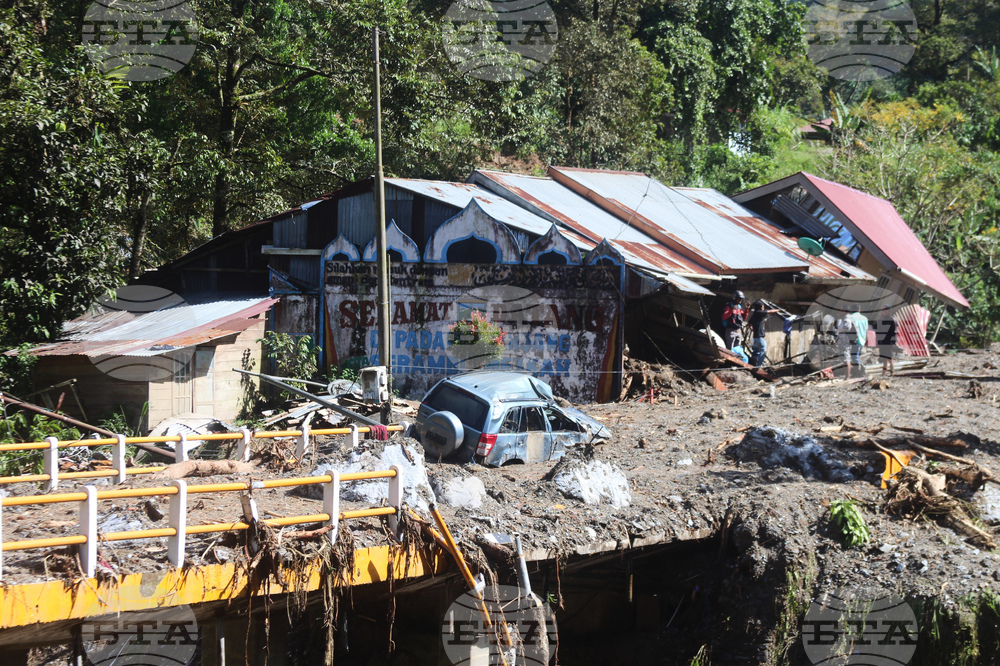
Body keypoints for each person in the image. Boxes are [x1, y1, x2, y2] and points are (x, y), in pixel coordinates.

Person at [747, 300, 780, 367]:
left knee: (756, 352)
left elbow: (749, 323)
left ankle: (752, 364)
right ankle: (759, 365)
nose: (763, 308)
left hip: (755, 337)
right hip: (759, 337)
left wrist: (752, 328)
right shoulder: (758, 312)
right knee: (763, 350)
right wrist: (778, 310)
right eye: (762, 307)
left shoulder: (754, 314)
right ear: (759, 307)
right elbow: (769, 311)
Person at [876, 306, 898, 376]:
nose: (882, 312)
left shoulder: (892, 320)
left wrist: (893, 341)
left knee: (889, 357)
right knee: (884, 358)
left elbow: (894, 332)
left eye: (883, 311)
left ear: (887, 311)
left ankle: (892, 372)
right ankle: (884, 373)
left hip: (889, 341)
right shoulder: (882, 319)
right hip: (883, 341)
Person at [847, 303, 869, 371]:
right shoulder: (865, 318)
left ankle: (859, 371)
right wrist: (867, 340)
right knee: (857, 356)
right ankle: (859, 369)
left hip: (854, 340)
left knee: (854, 357)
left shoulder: (850, 318)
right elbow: (866, 330)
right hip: (862, 340)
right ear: (859, 310)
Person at [836, 310, 856, 379]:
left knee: (846, 358)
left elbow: (845, 328)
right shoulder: (844, 319)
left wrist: (839, 327)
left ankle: (847, 376)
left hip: (845, 341)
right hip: (843, 341)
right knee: (844, 358)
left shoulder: (847, 319)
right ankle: (846, 376)